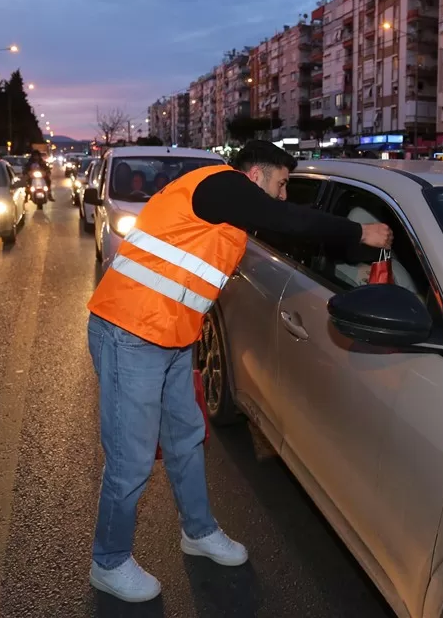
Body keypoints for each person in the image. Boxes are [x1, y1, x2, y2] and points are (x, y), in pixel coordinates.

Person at [84, 140, 392, 603]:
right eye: (281, 183)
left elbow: (292, 233)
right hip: (129, 332)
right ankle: (108, 561)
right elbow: (288, 220)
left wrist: (352, 256)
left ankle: (199, 531)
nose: (283, 195)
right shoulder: (221, 185)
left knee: (186, 438)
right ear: (255, 175)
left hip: (170, 335)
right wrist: (360, 233)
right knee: (131, 458)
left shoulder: (228, 207)